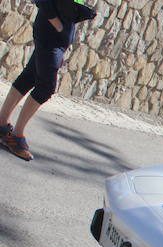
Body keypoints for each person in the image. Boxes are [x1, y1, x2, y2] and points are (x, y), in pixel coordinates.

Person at [0, 0, 96, 161]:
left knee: (29, 77)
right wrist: (57, 25)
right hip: (50, 37)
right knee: (46, 88)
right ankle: (16, 136)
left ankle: (2, 124)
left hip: (55, 38)